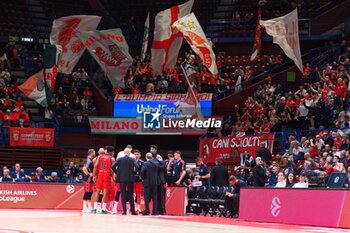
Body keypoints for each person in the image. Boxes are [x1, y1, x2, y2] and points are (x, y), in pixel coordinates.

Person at [112, 148, 138, 215]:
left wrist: (117, 173)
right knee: (130, 195)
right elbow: (137, 167)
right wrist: (134, 173)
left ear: (124, 153)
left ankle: (124, 211)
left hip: (121, 179)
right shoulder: (132, 159)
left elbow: (113, 167)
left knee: (123, 194)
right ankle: (133, 211)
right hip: (130, 178)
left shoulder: (120, 159)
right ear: (129, 153)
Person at [93, 146, 115, 214]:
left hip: (100, 174)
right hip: (107, 175)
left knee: (98, 192)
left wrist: (94, 175)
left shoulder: (99, 157)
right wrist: (113, 177)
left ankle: (95, 209)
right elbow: (113, 170)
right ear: (111, 152)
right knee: (105, 193)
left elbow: (95, 166)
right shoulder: (112, 158)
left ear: (106, 151)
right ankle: (103, 209)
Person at [82, 149, 95, 213]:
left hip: (91, 180)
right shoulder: (88, 160)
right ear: (91, 153)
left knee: (90, 192)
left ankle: (89, 206)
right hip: (88, 179)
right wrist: (89, 174)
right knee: (87, 193)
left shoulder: (90, 160)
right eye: (94, 152)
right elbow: (84, 168)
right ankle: (84, 208)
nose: (94, 153)